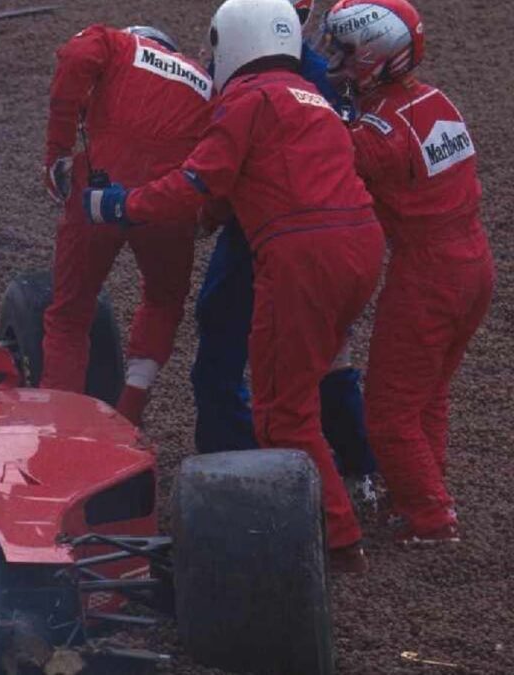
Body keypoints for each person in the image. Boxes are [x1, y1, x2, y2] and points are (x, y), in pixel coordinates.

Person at [83, 0, 384, 573]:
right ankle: (357, 478)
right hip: (359, 244)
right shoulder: (310, 94)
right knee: (318, 372)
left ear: (236, 41)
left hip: (301, 253)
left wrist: (121, 204)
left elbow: (200, 180)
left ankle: (336, 542)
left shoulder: (247, 99)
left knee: (282, 413)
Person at [190, 0, 378, 503]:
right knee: (243, 338)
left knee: (309, 360)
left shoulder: (313, 77)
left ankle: (348, 469)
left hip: (281, 228)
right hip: (281, 223)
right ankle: (236, 457)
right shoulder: (310, 74)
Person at [323, 0, 494, 545]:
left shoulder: (376, 136)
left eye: (347, 52)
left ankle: (431, 517)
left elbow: (329, 158)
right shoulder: (436, 98)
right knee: (429, 395)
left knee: (390, 410)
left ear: (376, 55)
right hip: (474, 264)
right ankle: (419, 496)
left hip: (428, 272)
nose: (338, 63)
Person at [40, 23, 213, 426]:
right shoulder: (207, 81)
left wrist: (57, 151)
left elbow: (78, 58)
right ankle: (130, 413)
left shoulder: (115, 44)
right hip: (168, 201)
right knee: (163, 300)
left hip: (100, 190)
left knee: (69, 314)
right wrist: (213, 212)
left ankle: (58, 426)